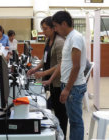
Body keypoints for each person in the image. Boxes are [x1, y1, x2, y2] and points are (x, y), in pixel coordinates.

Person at [43, 11, 87, 140]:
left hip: (73, 87)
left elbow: (76, 66)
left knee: (75, 122)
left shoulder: (76, 37)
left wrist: (67, 88)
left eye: (55, 26)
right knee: (72, 120)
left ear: (64, 23)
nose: (55, 29)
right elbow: (64, 63)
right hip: (68, 85)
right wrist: (52, 80)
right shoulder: (69, 38)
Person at [27, 16, 68, 137]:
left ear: (53, 28)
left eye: (45, 29)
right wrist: (35, 69)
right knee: (52, 109)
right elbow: (44, 60)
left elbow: (61, 65)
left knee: (61, 112)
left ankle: (63, 135)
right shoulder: (48, 40)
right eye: (42, 29)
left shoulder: (60, 42)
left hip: (58, 82)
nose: (43, 32)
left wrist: (44, 73)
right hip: (49, 81)